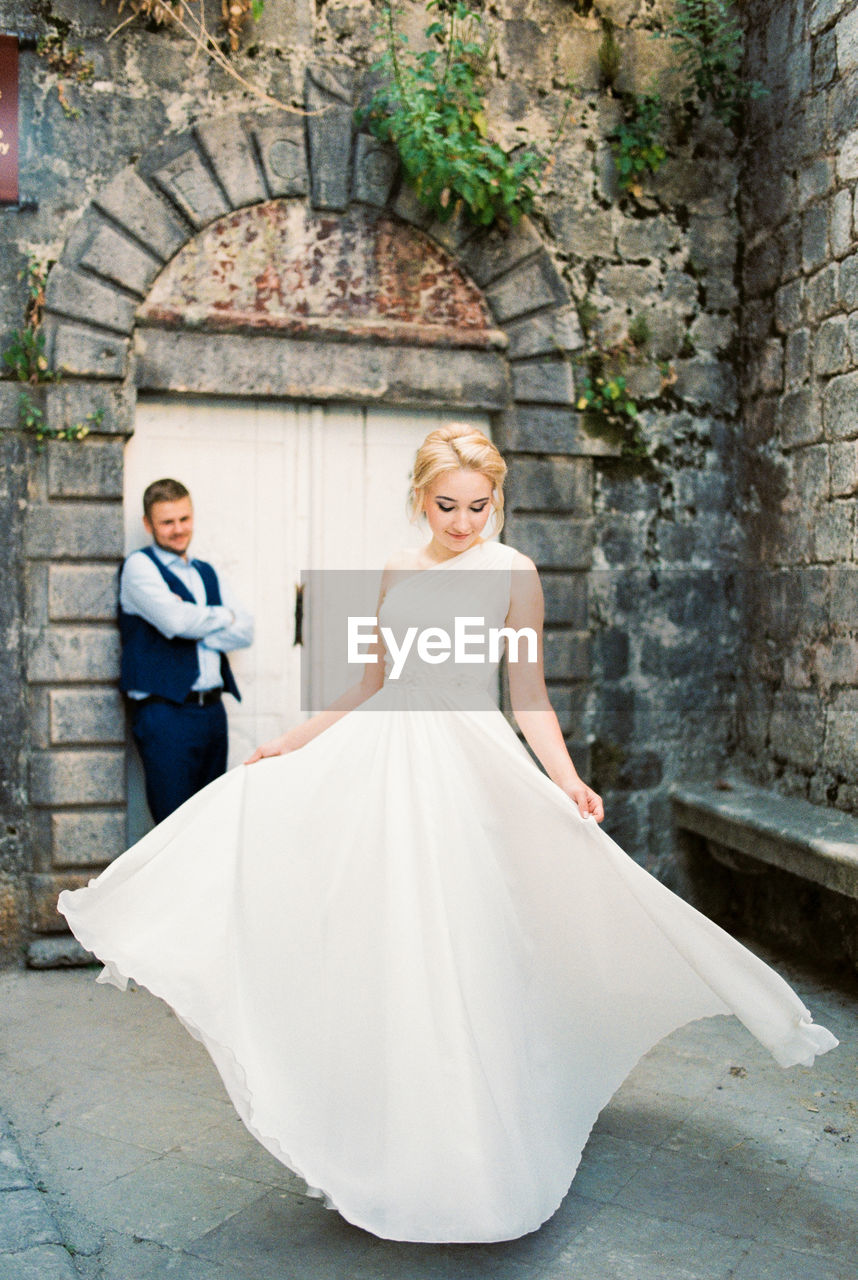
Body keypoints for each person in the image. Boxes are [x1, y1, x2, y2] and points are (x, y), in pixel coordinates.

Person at [59, 426, 836, 1245]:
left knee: (477, 941)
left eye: (480, 505)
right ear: (420, 498)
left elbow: (527, 692)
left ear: (496, 499)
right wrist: (294, 741)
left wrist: (566, 778)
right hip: (389, 759)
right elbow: (370, 682)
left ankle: (483, 1146)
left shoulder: (516, 573)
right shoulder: (394, 571)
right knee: (394, 942)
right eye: (447, 505)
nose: (465, 522)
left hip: (475, 762)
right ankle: (402, 1142)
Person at [119, 477, 253, 823]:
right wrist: (222, 616)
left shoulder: (205, 572)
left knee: (210, 824)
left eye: (184, 519)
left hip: (211, 714)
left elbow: (246, 630)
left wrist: (195, 624)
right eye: (167, 522)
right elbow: (177, 623)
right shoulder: (139, 567)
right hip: (165, 715)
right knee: (173, 828)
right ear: (148, 524)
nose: (178, 530)